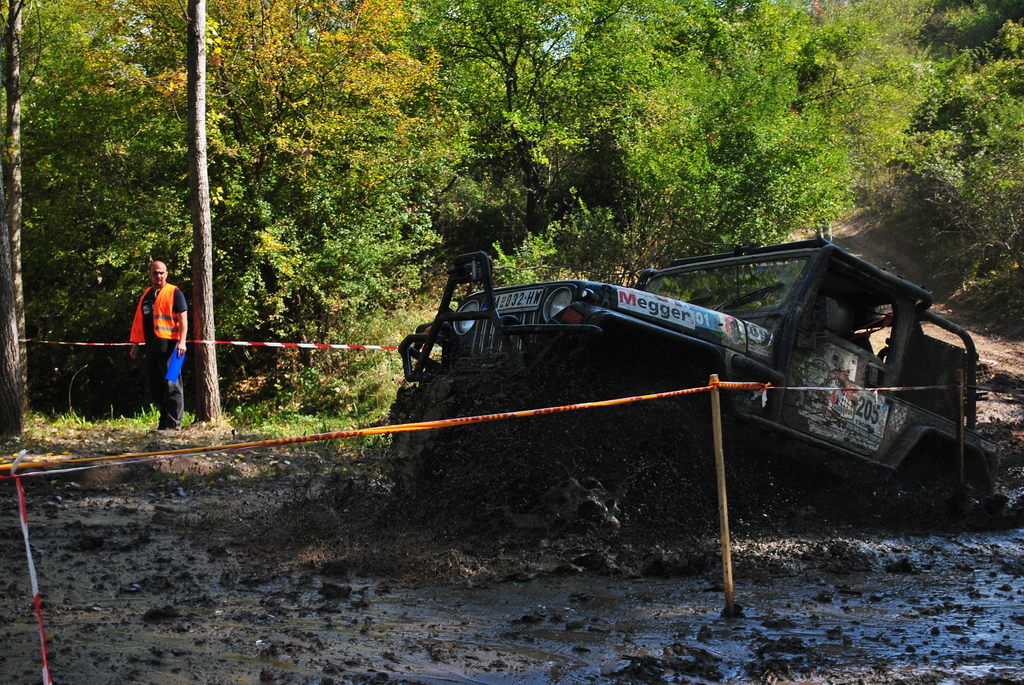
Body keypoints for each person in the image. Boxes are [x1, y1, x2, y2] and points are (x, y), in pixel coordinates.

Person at [130, 260, 188, 431]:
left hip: (174, 347)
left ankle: (174, 424)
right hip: (153, 347)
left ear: (167, 274)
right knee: (156, 388)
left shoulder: (174, 292)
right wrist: (135, 344)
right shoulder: (147, 295)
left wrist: (182, 341)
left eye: (162, 272)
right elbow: (140, 321)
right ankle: (164, 424)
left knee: (173, 386)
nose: (159, 276)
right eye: (155, 273)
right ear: (150, 275)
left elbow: (183, 318)